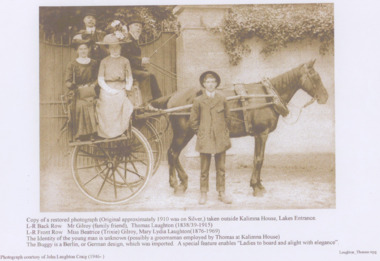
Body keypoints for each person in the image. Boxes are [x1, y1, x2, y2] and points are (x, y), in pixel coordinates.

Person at [190, 71, 232, 205]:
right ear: (203, 84)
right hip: (205, 138)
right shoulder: (198, 100)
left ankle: (221, 192)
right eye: (208, 82)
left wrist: (224, 133)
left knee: (221, 168)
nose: (210, 84)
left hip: (220, 138)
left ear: (216, 84)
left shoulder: (222, 99)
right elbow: (193, 121)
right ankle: (203, 193)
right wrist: (201, 133)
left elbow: (228, 118)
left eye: (213, 82)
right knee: (204, 169)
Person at [96, 34, 134, 139]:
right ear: (108, 49)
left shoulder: (125, 61)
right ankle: (107, 133)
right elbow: (100, 79)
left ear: (121, 47)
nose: (115, 50)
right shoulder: (104, 61)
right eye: (112, 48)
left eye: (117, 47)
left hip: (121, 86)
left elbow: (129, 77)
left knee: (122, 102)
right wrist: (109, 90)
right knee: (105, 104)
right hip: (106, 88)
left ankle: (120, 130)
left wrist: (127, 88)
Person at [121, 16, 162, 106]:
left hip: (133, 68)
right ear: (130, 27)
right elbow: (125, 57)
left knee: (152, 76)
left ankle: (158, 100)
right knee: (145, 75)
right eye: (136, 26)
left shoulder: (134, 40)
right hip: (127, 70)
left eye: (140, 27)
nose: (139, 28)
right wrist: (141, 60)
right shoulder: (127, 40)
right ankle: (146, 102)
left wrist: (141, 63)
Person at [64, 35, 99, 141]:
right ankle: (80, 134)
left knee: (92, 104)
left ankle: (94, 133)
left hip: (90, 91)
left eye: (85, 48)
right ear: (77, 51)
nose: (83, 51)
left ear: (88, 50)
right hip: (78, 92)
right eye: (81, 49)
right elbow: (67, 81)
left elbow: (98, 78)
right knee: (81, 105)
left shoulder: (93, 63)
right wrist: (74, 86)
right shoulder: (72, 64)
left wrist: (92, 85)